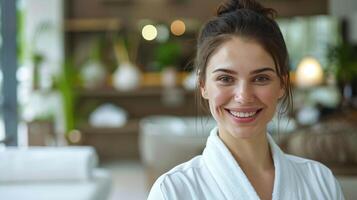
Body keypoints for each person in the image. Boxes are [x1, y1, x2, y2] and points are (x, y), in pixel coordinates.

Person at [147, 0, 345, 199]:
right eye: (225, 79)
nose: (243, 96)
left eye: (261, 78)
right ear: (203, 85)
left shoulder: (320, 181)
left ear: (282, 85)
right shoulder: (172, 191)